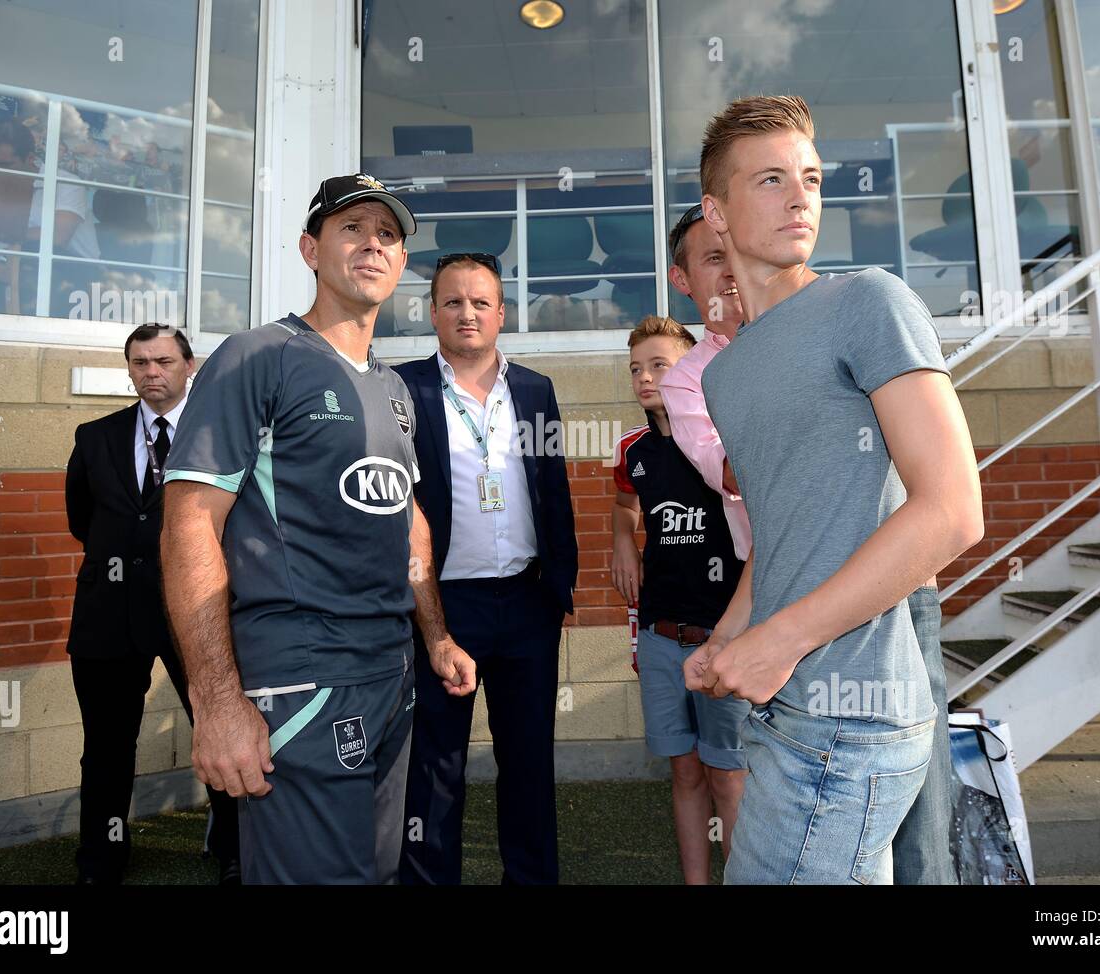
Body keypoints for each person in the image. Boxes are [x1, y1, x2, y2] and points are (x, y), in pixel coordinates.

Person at [684, 95, 983, 885]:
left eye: (811, 178)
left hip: (855, 718)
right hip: (781, 714)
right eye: (772, 179)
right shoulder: (725, 373)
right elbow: (786, 531)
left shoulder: (867, 302)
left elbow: (953, 511)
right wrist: (729, 633)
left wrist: (778, 642)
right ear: (716, 211)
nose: (801, 197)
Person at [160, 173, 477, 885]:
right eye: (352, 229)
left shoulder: (394, 389)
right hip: (303, 683)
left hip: (392, 676)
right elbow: (188, 527)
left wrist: (436, 638)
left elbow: (409, 521)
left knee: (376, 875)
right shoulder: (256, 356)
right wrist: (216, 703)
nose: (373, 244)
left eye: (388, 235)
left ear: (401, 264)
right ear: (310, 248)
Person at [394, 252, 577, 885]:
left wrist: (558, 588)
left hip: (528, 605)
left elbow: (553, 490)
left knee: (529, 762)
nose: (466, 313)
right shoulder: (403, 389)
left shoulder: (533, 390)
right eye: (452, 302)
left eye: (480, 302)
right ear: (433, 312)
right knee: (434, 767)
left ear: (501, 313)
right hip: (444, 608)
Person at [64, 323, 239, 885]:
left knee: (219, 726)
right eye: (140, 363)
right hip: (107, 619)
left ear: (190, 366)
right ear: (130, 369)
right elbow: (82, 522)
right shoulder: (94, 437)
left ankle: (235, 848)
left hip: (195, 614)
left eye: (163, 361)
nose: (152, 372)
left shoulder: (222, 435)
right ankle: (102, 857)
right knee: (107, 747)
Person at [610, 315, 748, 884]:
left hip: (725, 636)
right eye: (637, 368)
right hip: (662, 637)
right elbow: (623, 505)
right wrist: (622, 538)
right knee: (685, 773)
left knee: (728, 776)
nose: (646, 378)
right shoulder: (633, 451)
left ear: (692, 368)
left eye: (660, 365)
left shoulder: (724, 444)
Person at [658, 204, 749, 562]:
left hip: (889, 558)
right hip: (784, 576)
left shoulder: (812, 332)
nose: (731, 271)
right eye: (714, 258)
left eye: (739, 253)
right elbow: (732, 476)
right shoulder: (684, 382)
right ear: (681, 279)